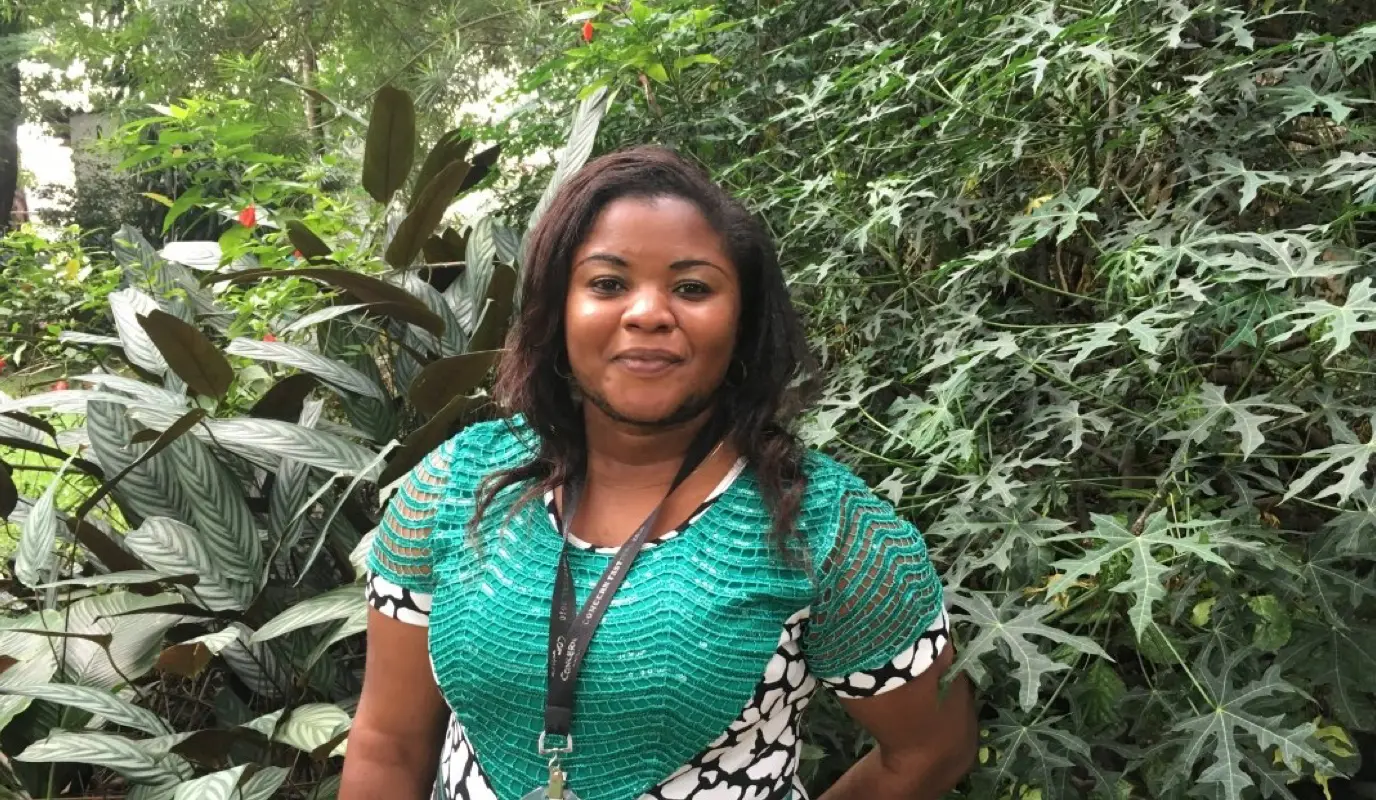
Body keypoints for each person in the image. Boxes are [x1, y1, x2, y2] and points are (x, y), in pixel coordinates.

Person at [340, 146, 977, 800]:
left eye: (692, 287)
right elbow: (389, 743)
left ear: (743, 322)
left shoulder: (826, 530)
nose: (647, 313)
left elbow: (931, 749)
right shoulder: (456, 484)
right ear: (558, 310)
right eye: (608, 284)